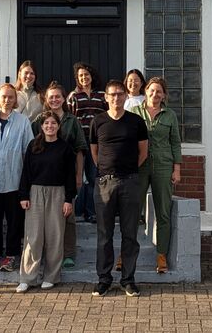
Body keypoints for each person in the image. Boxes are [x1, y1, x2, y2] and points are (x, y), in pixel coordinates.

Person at [89, 79, 148, 298]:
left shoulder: (136, 121)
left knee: (129, 233)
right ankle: (104, 279)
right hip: (105, 183)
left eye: (120, 94)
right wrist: (107, 171)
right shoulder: (98, 121)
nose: (116, 98)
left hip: (131, 181)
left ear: (125, 96)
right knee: (104, 234)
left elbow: (143, 152)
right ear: (106, 97)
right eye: (112, 94)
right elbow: (94, 152)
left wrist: (128, 170)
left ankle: (128, 280)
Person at [15, 112, 77, 292]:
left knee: (54, 237)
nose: (50, 126)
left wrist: (68, 200)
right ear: (41, 127)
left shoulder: (65, 148)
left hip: (58, 193)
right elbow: (25, 172)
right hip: (35, 193)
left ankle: (51, 276)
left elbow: (69, 177)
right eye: (46, 123)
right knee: (32, 237)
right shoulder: (34, 145)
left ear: (59, 126)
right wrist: (23, 195)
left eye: (53, 123)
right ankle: (27, 277)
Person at [129, 76, 183, 274]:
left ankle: (161, 256)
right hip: (139, 166)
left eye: (159, 91)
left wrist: (176, 169)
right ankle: (125, 254)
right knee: (132, 212)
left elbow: (175, 143)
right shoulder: (134, 112)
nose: (155, 94)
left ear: (164, 95)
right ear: (146, 92)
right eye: (151, 90)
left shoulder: (170, 116)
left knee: (163, 213)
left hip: (163, 166)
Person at [0, 83, 34, 273]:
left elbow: (28, 153)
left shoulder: (23, 122)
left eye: (11, 97)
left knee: (14, 221)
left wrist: (27, 181)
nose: (7, 100)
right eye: (4, 96)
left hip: (14, 181)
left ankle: (10, 256)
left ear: (15, 100)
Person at [31, 81, 87, 268]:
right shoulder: (39, 120)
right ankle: (47, 254)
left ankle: (68, 253)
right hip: (44, 178)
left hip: (67, 176)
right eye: (51, 96)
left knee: (67, 216)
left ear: (64, 98)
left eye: (58, 96)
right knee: (45, 220)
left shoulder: (72, 121)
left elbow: (80, 149)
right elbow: (32, 148)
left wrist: (79, 175)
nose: (54, 99)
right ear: (46, 99)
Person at [68, 62, 104, 223]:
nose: (84, 78)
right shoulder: (73, 96)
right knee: (75, 176)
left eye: (86, 75)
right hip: (78, 142)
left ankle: (90, 212)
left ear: (92, 76)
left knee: (92, 177)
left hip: (96, 142)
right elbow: (69, 119)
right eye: (81, 75)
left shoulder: (102, 95)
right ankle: (73, 211)